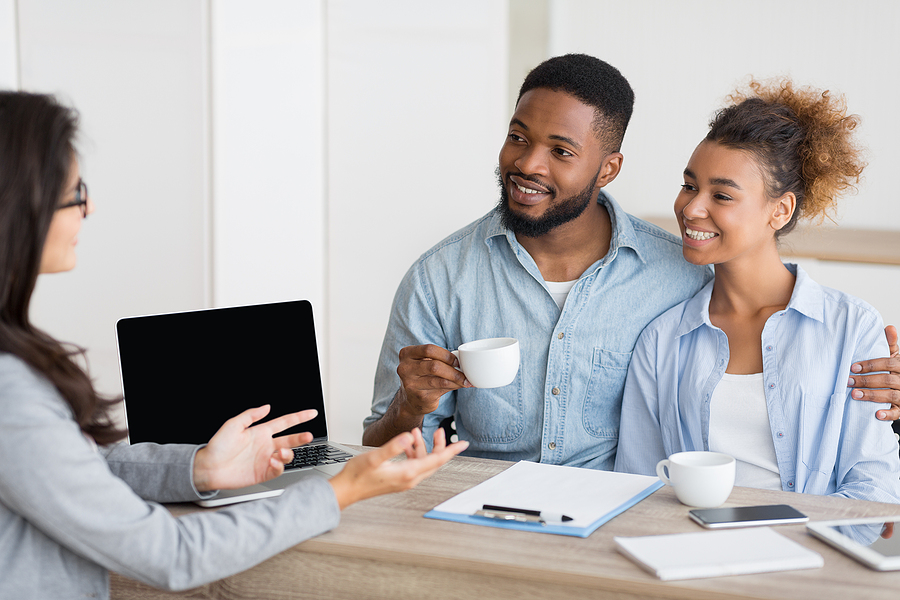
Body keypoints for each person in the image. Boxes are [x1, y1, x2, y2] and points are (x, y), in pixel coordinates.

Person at [0, 91, 468, 600]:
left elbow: (69, 469)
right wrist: (341, 489)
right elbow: (171, 554)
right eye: (74, 192)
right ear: (17, 206)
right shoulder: (11, 393)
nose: (89, 207)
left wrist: (199, 466)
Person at [362, 53, 900, 469]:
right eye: (517, 138)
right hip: (481, 518)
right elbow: (377, 446)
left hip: (618, 527)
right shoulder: (439, 277)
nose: (528, 164)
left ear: (609, 168)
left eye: (562, 151)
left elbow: (782, 332)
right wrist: (409, 405)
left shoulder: (681, 277)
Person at [614, 80, 900, 504]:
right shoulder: (661, 339)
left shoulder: (852, 327)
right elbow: (638, 485)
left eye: (722, 195)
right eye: (689, 185)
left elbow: (875, 485)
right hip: (686, 554)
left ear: (779, 210)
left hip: (809, 557)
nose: (691, 208)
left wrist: (788, 544)